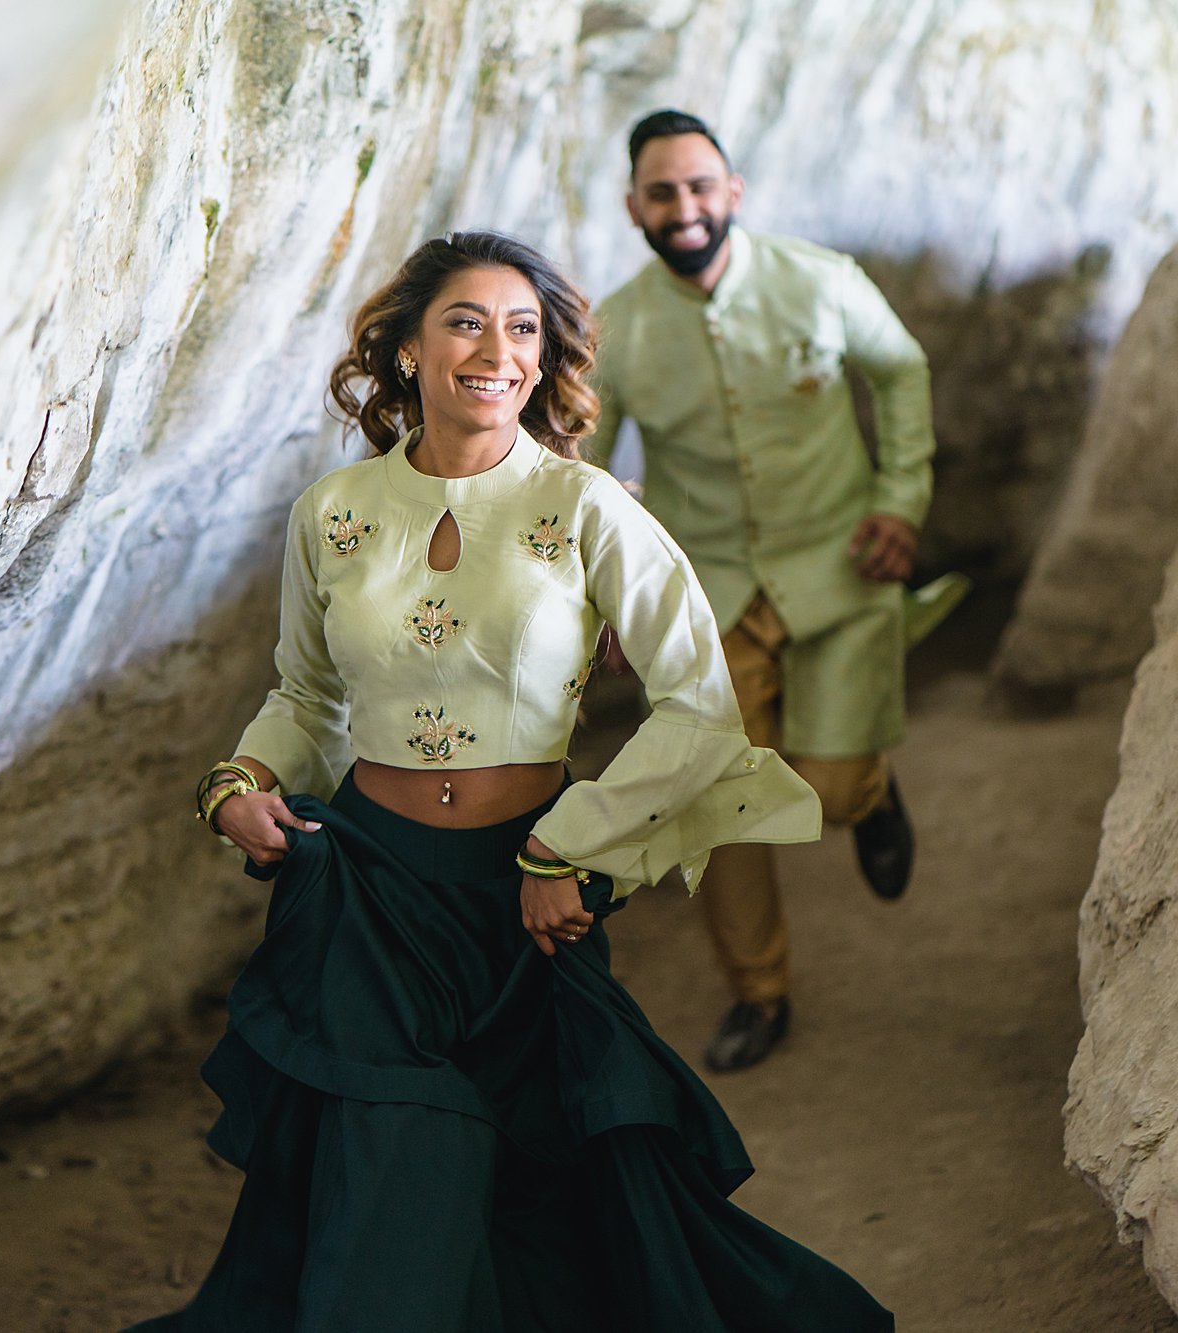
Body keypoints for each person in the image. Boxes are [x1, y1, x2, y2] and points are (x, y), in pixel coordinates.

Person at [128, 231, 893, 1332]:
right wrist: (238, 782)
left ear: (544, 360)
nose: (498, 349)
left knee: (541, 1201)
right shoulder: (331, 514)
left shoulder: (586, 509)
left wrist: (566, 848)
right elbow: (306, 697)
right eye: (465, 321)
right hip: (367, 895)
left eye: (522, 328)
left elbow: (698, 704)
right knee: (394, 1168)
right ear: (404, 352)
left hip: (528, 904)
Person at [586, 109, 946, 1073]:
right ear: (634, 208)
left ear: (733, 192)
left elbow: (902, 370)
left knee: (821, 788)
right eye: (662, 192)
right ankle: (761, 993)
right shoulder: (611, 330)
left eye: (700, 186)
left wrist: (901, 499)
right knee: (721, 800)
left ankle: (867, 792)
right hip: (705, 593)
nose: (684, 207)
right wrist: (604, 585)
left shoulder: (822, 281)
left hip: (841, 567)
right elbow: (576, 464)